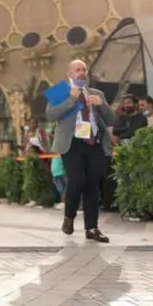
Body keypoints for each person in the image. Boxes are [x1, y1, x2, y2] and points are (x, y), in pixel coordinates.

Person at [46, 59, 115, 243]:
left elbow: (110, 119)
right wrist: (72, 99)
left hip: (95, 142)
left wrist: (102, 104)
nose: (82, 72)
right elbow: (51, 115)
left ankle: (92, 228)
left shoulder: (96, 93)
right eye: (78, 70)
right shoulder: (60, 90)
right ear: (69, 73)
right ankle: (69, 216)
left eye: (84, 70)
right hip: (72, 143)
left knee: (92, 185)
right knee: (77, 181)